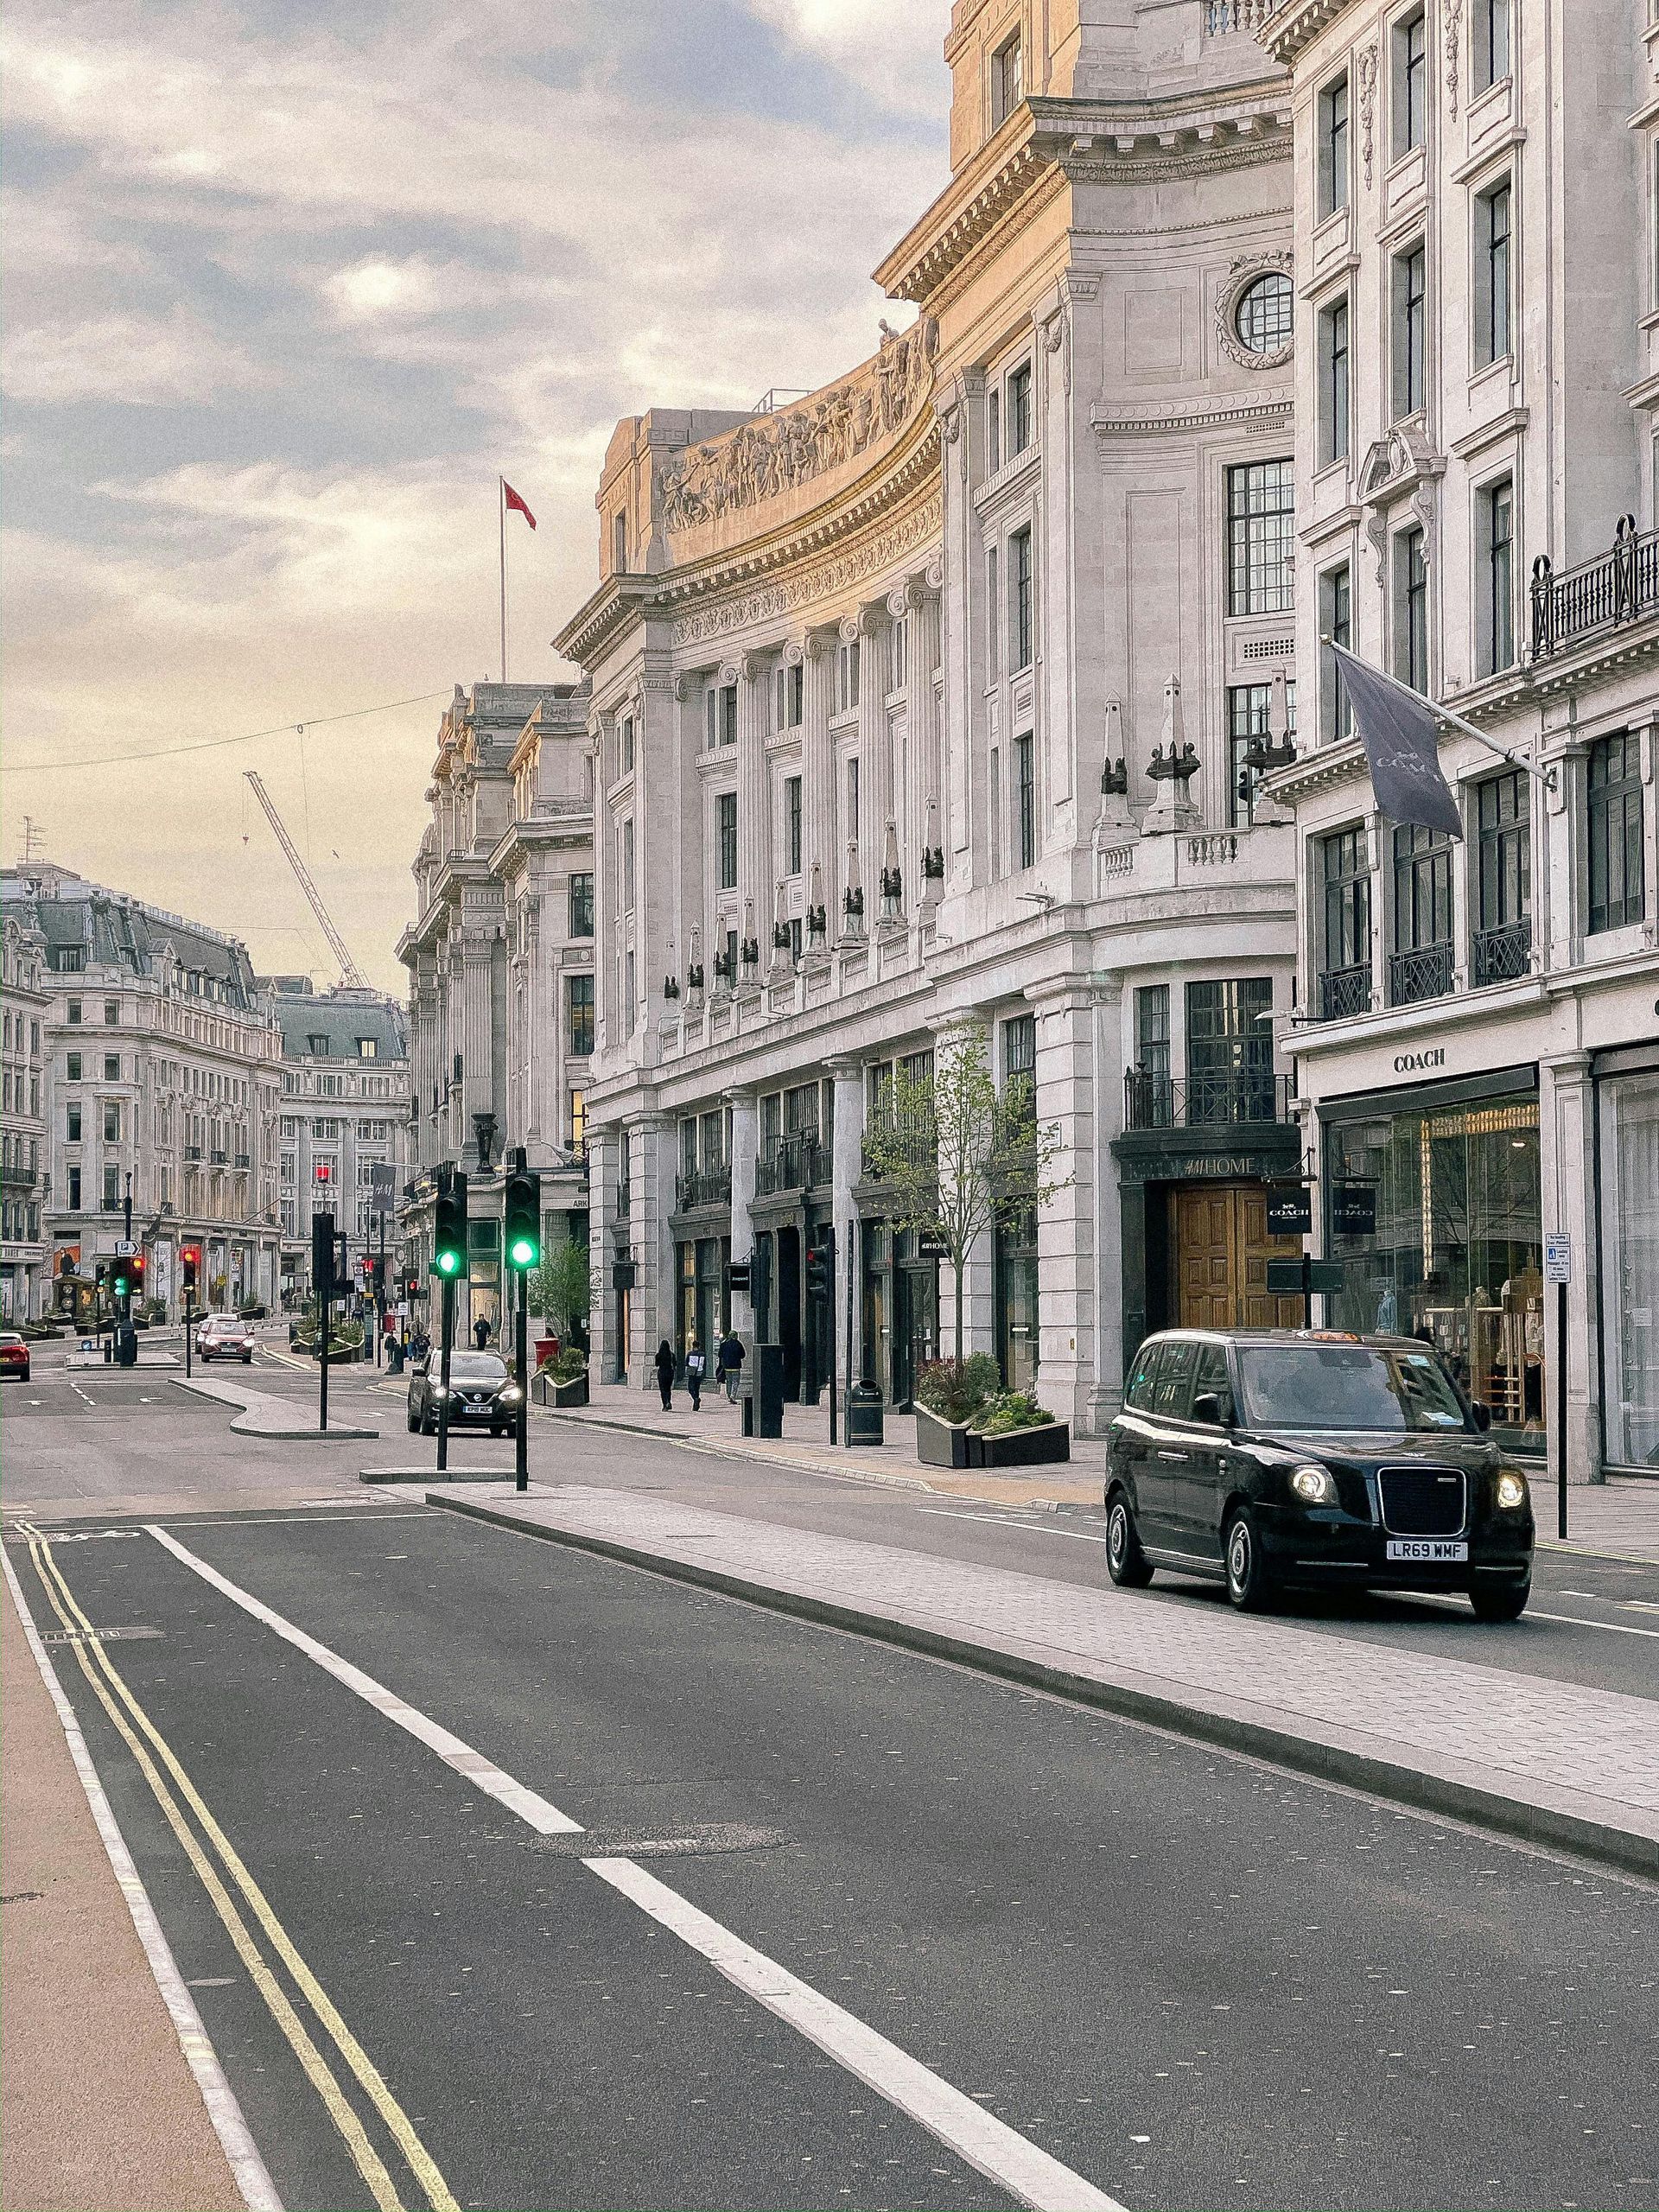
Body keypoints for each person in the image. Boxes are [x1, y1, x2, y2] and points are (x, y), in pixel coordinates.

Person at [718, 1328, 745, 1402]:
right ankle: (733, 1395)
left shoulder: (724, 1344)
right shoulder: (738, 1344)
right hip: (736, 1366)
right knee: (735, 1381)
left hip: (727, 1366)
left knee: (729, 1381)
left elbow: (720, 1354)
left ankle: (729, 1395)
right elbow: (743, 1355)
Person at [684, 1334, 706, 1411]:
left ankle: (696, 1399)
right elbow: (705, 1364)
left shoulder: (690, 1354)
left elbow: (686, 1363)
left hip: (692, 1372)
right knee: (697, 1388)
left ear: (693, 1346)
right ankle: (695, 1404)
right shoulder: (703, 1354)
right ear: (699, 1346)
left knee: (690, 1388)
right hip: (699, 1372)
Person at [654, 1338, 675, 1412]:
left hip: (662, 1373)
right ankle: (668, 1401)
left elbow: (656, 1364)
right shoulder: (671, 1354)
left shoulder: (658, 1355)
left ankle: (665, 1405)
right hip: (670, 1372)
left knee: (663, 1390)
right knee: (668, 1389)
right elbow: (675, 1364)